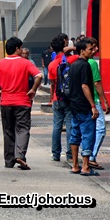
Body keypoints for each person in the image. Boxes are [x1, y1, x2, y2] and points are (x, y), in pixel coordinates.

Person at [0, 37, 42, 170]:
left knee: (8, 131)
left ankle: (9, 160)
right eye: (20, 48)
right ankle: (20, 154)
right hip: (23, 102)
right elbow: (39, 76)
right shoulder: (26, 63)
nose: (21, 50)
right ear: (16, 49)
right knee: (22, 129)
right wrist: (32, 90)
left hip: (6, 102)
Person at [68, 37, 99, 176]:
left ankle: (75, 165)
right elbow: (85, 86)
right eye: (90, 49)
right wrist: (93, 105)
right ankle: (85, 166)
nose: (93, 51)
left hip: (74, 106)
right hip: (84, 106)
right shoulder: (85, 65)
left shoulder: (73, 65)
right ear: (82, 51)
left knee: (75, 135)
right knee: (88, 135)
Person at [48, 34, 77, 163]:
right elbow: (85, 55)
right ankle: (71, 154)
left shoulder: (51, 65)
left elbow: (52, 84)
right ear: (65, 45)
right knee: (70, 125)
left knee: (57, 126)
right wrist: (72, 49)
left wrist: (51, 99)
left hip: (57, 98)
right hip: (69, 98)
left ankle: (55, 154)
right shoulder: (72, 59)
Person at [86, 38, 110, 170]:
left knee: (87, 129)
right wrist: (105, 100)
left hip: (83, 101)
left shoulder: (78, 62)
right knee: (100, 129)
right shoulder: (92, 63)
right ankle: (91, 156)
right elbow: (97, 83)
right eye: (93, 47)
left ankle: (86, 156)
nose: (96, 50)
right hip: (94, 100)